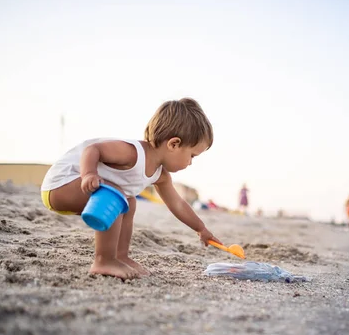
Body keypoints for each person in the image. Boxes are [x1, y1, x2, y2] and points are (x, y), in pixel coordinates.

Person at [40, 98, 221, 280]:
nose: (190, 162)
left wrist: (200, 229)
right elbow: (92, 149)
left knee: (129, 201)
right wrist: (88, 173)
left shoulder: (161, 175)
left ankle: (120, 256)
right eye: (192, 156)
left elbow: (178, 204)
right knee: (117, 195)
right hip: (60, 185)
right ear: (173, 144)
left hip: (87, 193)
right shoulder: (132, 153)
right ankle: (103, 260)